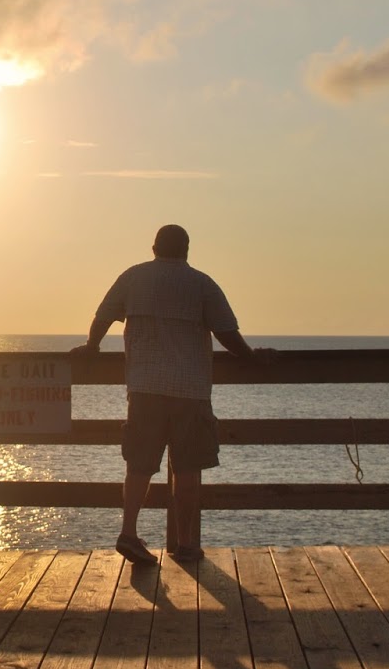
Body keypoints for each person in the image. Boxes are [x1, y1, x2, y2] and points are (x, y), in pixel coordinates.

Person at [70, 224, 273, 565]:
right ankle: (186, 544)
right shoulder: (202, 284)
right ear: (187, 249)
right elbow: (227, 334)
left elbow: (103, 315)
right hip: (189, 389)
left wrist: (92, 347)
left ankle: (129, 532)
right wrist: (253, 358)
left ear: (154, 247)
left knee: (139, 465)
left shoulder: (133, 278)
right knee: (189, 468)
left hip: (144, 387)